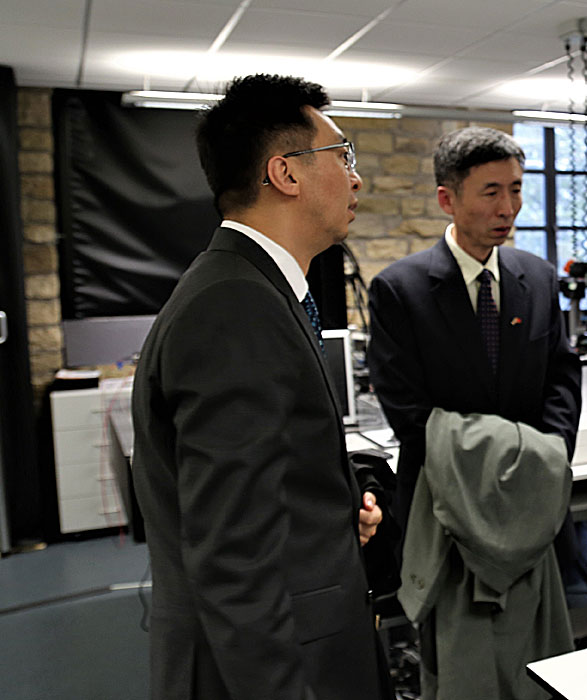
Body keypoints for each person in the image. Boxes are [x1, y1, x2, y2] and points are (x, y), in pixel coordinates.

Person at [130, 74, 388, 700]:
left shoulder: (253, 289)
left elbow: (261, 481)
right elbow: (233, 558)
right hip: (269, 668)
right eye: (342, 155)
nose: (356, 178)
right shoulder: (235, 307)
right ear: (286, 173)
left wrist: (332, 515)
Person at [367, 126, 582, 699]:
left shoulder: (537, 278)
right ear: (448, 198)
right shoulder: (400, 289)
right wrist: (515, 450)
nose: (507, 208)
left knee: (537, 652)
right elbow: (407, 410)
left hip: (531, 498)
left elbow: (561, 374)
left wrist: (550, 454)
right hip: (446, 507)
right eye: (490, 192)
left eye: (515, 189)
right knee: (458, 661)